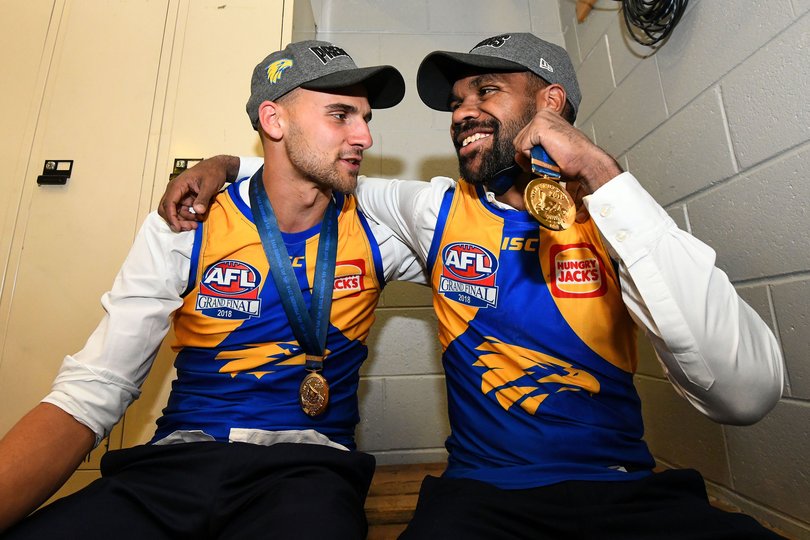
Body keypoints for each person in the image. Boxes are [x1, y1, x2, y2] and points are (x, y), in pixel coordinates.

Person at [159, 33, 785, 539]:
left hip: (623, 488)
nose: (461, 113)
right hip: (482, 500)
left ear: (551, 103)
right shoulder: (435, 211)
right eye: (457, 101)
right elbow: (308, 167)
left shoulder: (618, 218)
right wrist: (224, 164)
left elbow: (745, 395)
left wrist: (600, 175)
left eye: (486, 90)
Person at [0, 40, 423, 539]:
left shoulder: (379, 232)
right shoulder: (188, 223)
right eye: (340, 115)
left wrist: (225, 162)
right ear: (274, 120)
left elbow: (478, 232)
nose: (365, 137)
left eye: (366, 118)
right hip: (178, 463)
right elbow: (97, 387)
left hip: (307, 470)